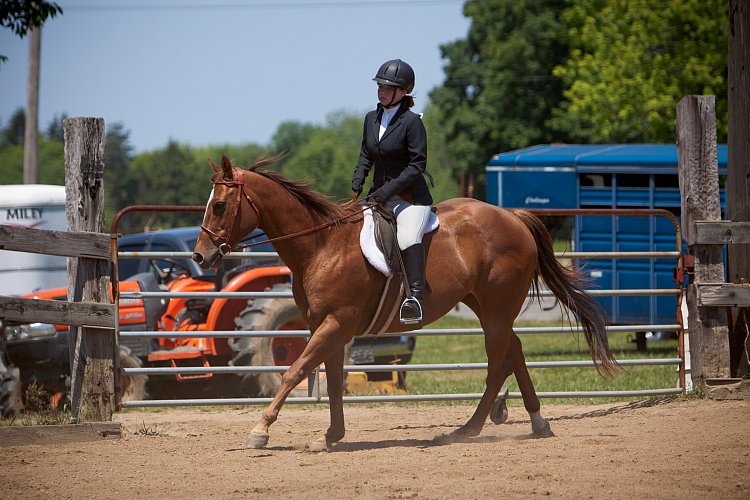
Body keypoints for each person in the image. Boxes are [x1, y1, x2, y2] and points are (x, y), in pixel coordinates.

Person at [351, 58, 433, 325]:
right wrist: (358, 181)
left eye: (388, 87)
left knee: (408, 237)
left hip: (410, 199)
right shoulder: (370, 119)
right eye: (380, 86)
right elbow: (366, 154)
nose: (381, 91)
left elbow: (416, 165)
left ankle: (415, 299)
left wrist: (385, 193)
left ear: (403, 91)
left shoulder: (412, 123)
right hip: (377, 195)